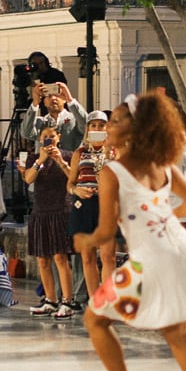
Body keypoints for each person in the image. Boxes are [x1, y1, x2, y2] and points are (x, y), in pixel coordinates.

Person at [81, 93, 186, 371]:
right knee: (178, 337)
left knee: (95, 320)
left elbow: (106, 231)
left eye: (116, 121)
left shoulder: (113, 171)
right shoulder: (163, 164)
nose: (108, 126)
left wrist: (86, 241)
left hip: (150, 261)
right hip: (181, 251)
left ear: (135, 130)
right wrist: (160, 217)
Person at [23, 127, 76, 317]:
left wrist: (60, 161)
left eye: (51, 137)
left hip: (60, 210)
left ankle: (68, 301)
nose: (48, 140)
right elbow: (28, 179)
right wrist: (41, 160)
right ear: (40, 139)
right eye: (45, 137)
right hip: (40, 210)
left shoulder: (69, 156)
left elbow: (74, 178)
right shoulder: (34, 158)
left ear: (58, 138)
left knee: (61, 257)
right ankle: (50, 300)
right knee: (42, 259)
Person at [67, 110, 112, 306]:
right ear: (87, 129)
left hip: (106, 205)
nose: (97, 129)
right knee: (87, 257)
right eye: (93, 125)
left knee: (108, 255)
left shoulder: (114, 152)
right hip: (84, 205)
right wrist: (76, 190)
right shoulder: (80, 153)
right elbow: (70, 183)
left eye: (101, 125)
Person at [20, 80, 87, 152]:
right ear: (44, 102)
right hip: (45, 162)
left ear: (64, 99)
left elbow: (86, 127)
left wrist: (70, 99)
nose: (53, 98)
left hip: (69, 162)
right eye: (49, 96)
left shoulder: (75, 119)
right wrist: (35, 103)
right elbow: (26, 133)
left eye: (57, 95)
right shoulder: (40, 122)